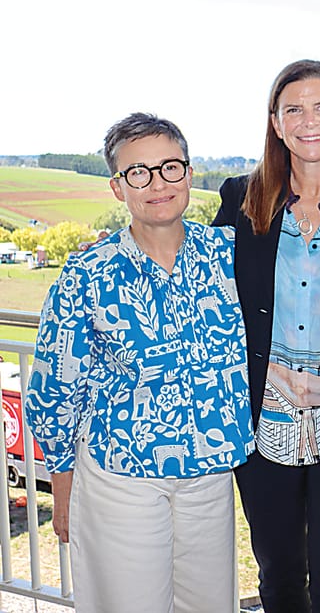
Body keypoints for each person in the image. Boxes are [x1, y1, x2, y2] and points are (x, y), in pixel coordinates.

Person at [25, 112, 255, 613]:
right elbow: (55, 384)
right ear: (117, 187)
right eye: (139, 172)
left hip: (208, 475)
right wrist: (62, 478)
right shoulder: (89, 272)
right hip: (122, 478)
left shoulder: (228, 255)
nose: (157, 184)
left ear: (190, 174)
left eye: (170, 167)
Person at [213, 59, 320, 612]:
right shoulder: (244, 200)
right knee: (280, 579)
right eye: (293, 108)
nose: (307, 120)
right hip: (264, 423)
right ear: (275, 121)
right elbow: (208, 294)